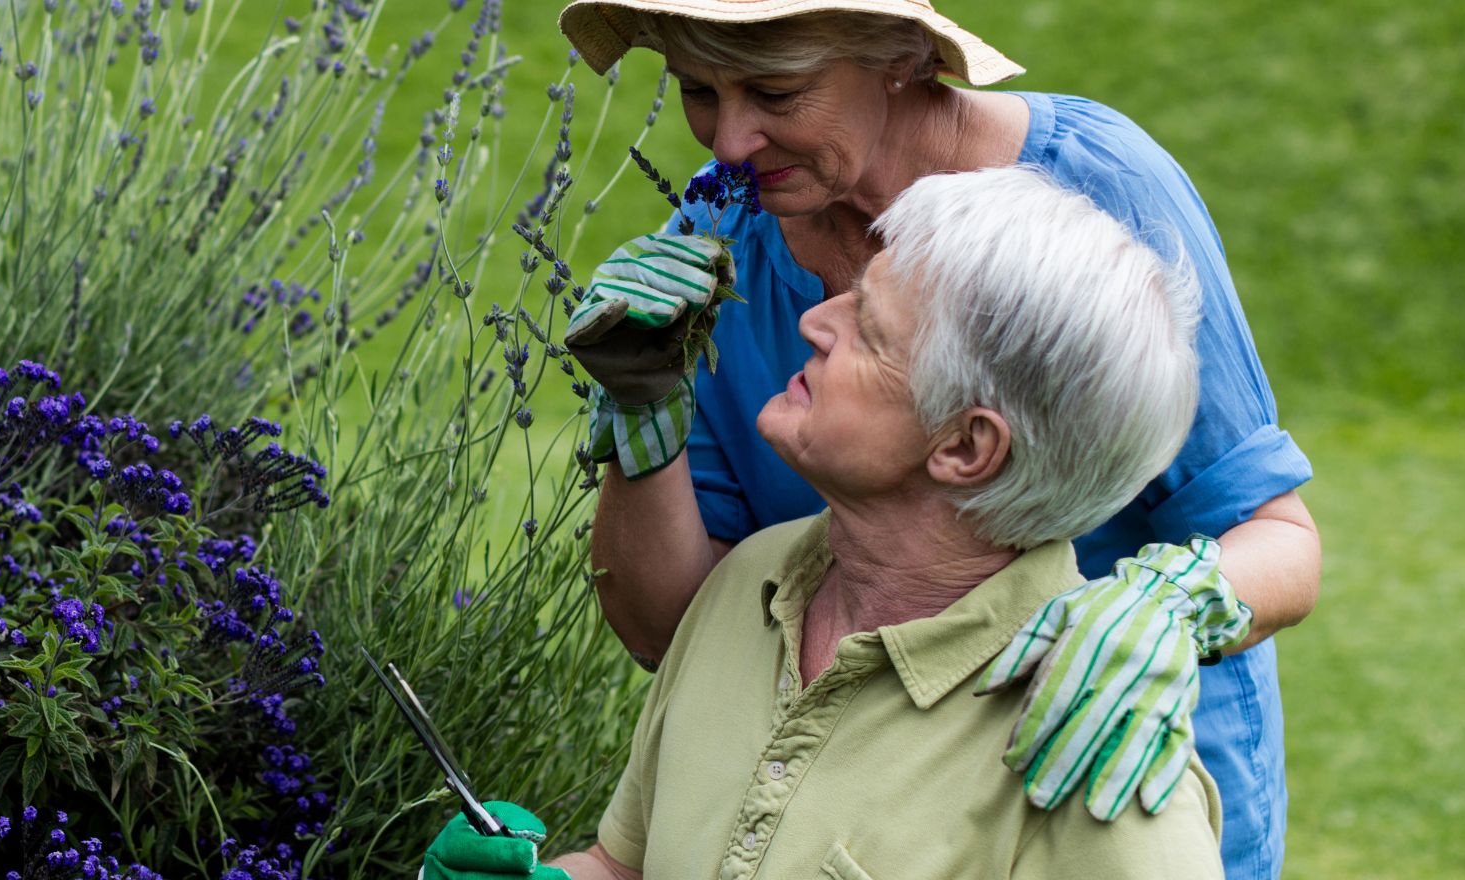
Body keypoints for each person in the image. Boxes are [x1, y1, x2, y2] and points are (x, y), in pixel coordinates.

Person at [544, 2, 1320, 877]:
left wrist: (1166, 606)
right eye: (696, 90)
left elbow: (1278, 535)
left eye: (777, 91)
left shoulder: (1097, 192)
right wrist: (642, 412)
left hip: (1089, 762)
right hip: (846, 782)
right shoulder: (722, 233)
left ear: (902, 57)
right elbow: (680, 636)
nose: (728, 143)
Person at [427, 165, 1237, 879]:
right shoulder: (754, 578)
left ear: (964, 445)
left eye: (870, 330)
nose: (818, 322)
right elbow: (628, 864)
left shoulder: (1095, 755)